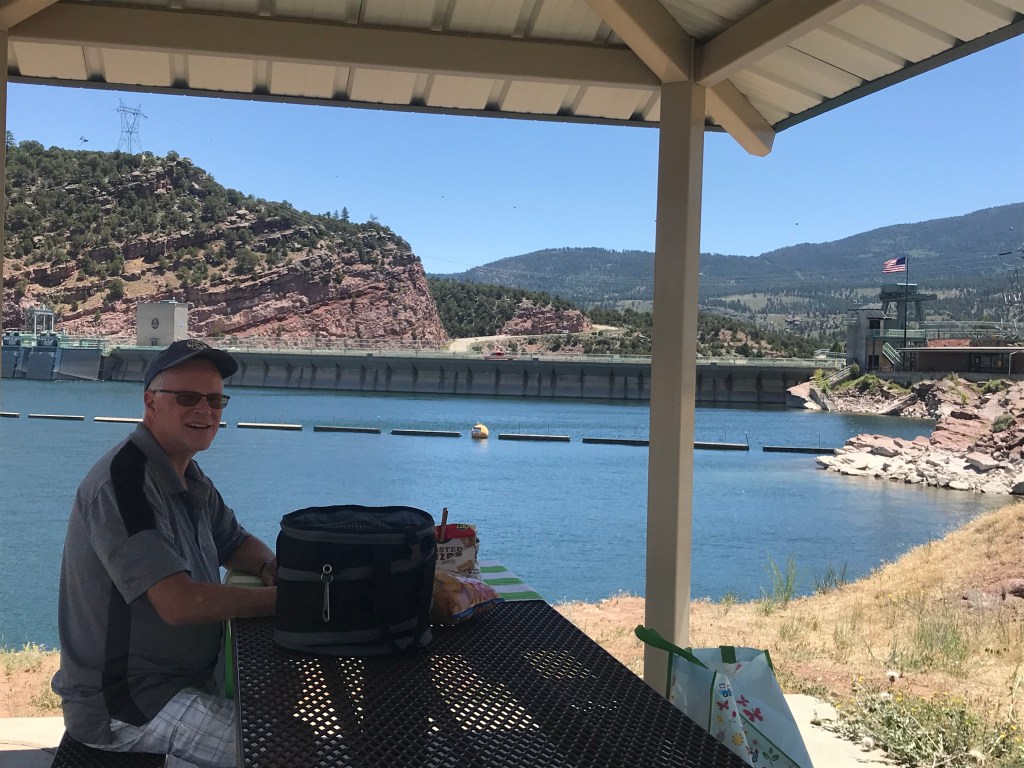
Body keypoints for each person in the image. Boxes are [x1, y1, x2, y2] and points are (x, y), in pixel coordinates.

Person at [51, 339, 278, 768]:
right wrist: (286, 601)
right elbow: (179, 603)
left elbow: (234, 542)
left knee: (288, 712)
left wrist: (270, 566)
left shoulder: (186, 473)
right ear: (150, 402)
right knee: (286, 749)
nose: (205, 410)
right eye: (188, 398)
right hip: (129, 700)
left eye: (215, 400)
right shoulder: (125, 484)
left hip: (184, 677)